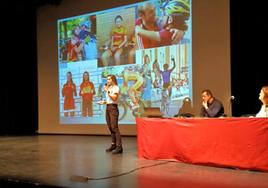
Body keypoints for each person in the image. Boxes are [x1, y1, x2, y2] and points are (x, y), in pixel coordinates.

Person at [98, 75, 123, 154]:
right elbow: (109, 100)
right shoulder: (109, 88)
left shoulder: (116, 88)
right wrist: (104, 102)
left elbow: (114, 98)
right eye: (107, 79)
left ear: (113, 80)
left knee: (114, 127)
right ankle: (113, 145)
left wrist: (107, 91)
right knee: (110, 127)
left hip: (113, 108)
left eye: (109, 79)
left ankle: (119, 147)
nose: (107, 81)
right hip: (108, 107)